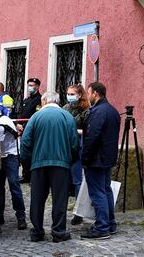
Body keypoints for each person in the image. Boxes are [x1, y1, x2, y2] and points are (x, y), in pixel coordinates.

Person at [20, 92, 79, 243]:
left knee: (37, 199)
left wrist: (27, 162)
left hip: (38, 163)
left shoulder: (36, 117)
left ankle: (37, 232)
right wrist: (71, 160)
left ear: (44, 101)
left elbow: (26, 141)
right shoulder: (67, 117)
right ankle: (58, 232)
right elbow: (74, 142)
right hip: (61, 163)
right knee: (60, 199)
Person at [80, 82, 120, 240]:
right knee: (106, 190)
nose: (87, 96)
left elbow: (92, 136)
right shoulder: (112, 110)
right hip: (107, 158)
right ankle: (110, 223)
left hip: (96, 159)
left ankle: (102, 227)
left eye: (88, 92)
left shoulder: (98, 112)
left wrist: (85, 157)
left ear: (95, 93)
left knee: (98, 193)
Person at [63, 84, 89, 225]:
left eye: (72, 94)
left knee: (77, 180)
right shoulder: (66, 108)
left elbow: (89, 130)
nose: (70, 96)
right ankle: (62, 207)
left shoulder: (86, 110)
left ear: (79, 95)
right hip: (66, 146)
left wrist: (75, 130)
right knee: (65, 179)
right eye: (68, 93)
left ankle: (78, 213)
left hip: (79, 146)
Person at [0, 114, 27, 230]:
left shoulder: (3, 122)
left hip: (10, 155)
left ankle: (21, 217)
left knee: (14, 186)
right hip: (0, 156)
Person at [17, 78, 42, 184]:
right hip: (23, 129)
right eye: (29, 85)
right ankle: (26, 175)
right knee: (24, 155)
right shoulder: (26, 100)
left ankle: (33, 178)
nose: (30, 87)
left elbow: (36, 115)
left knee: (33, 155)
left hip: (33, 130)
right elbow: (21, 114)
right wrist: (18, 124)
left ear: (37, 86)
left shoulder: (40, 100)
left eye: (32, 85)